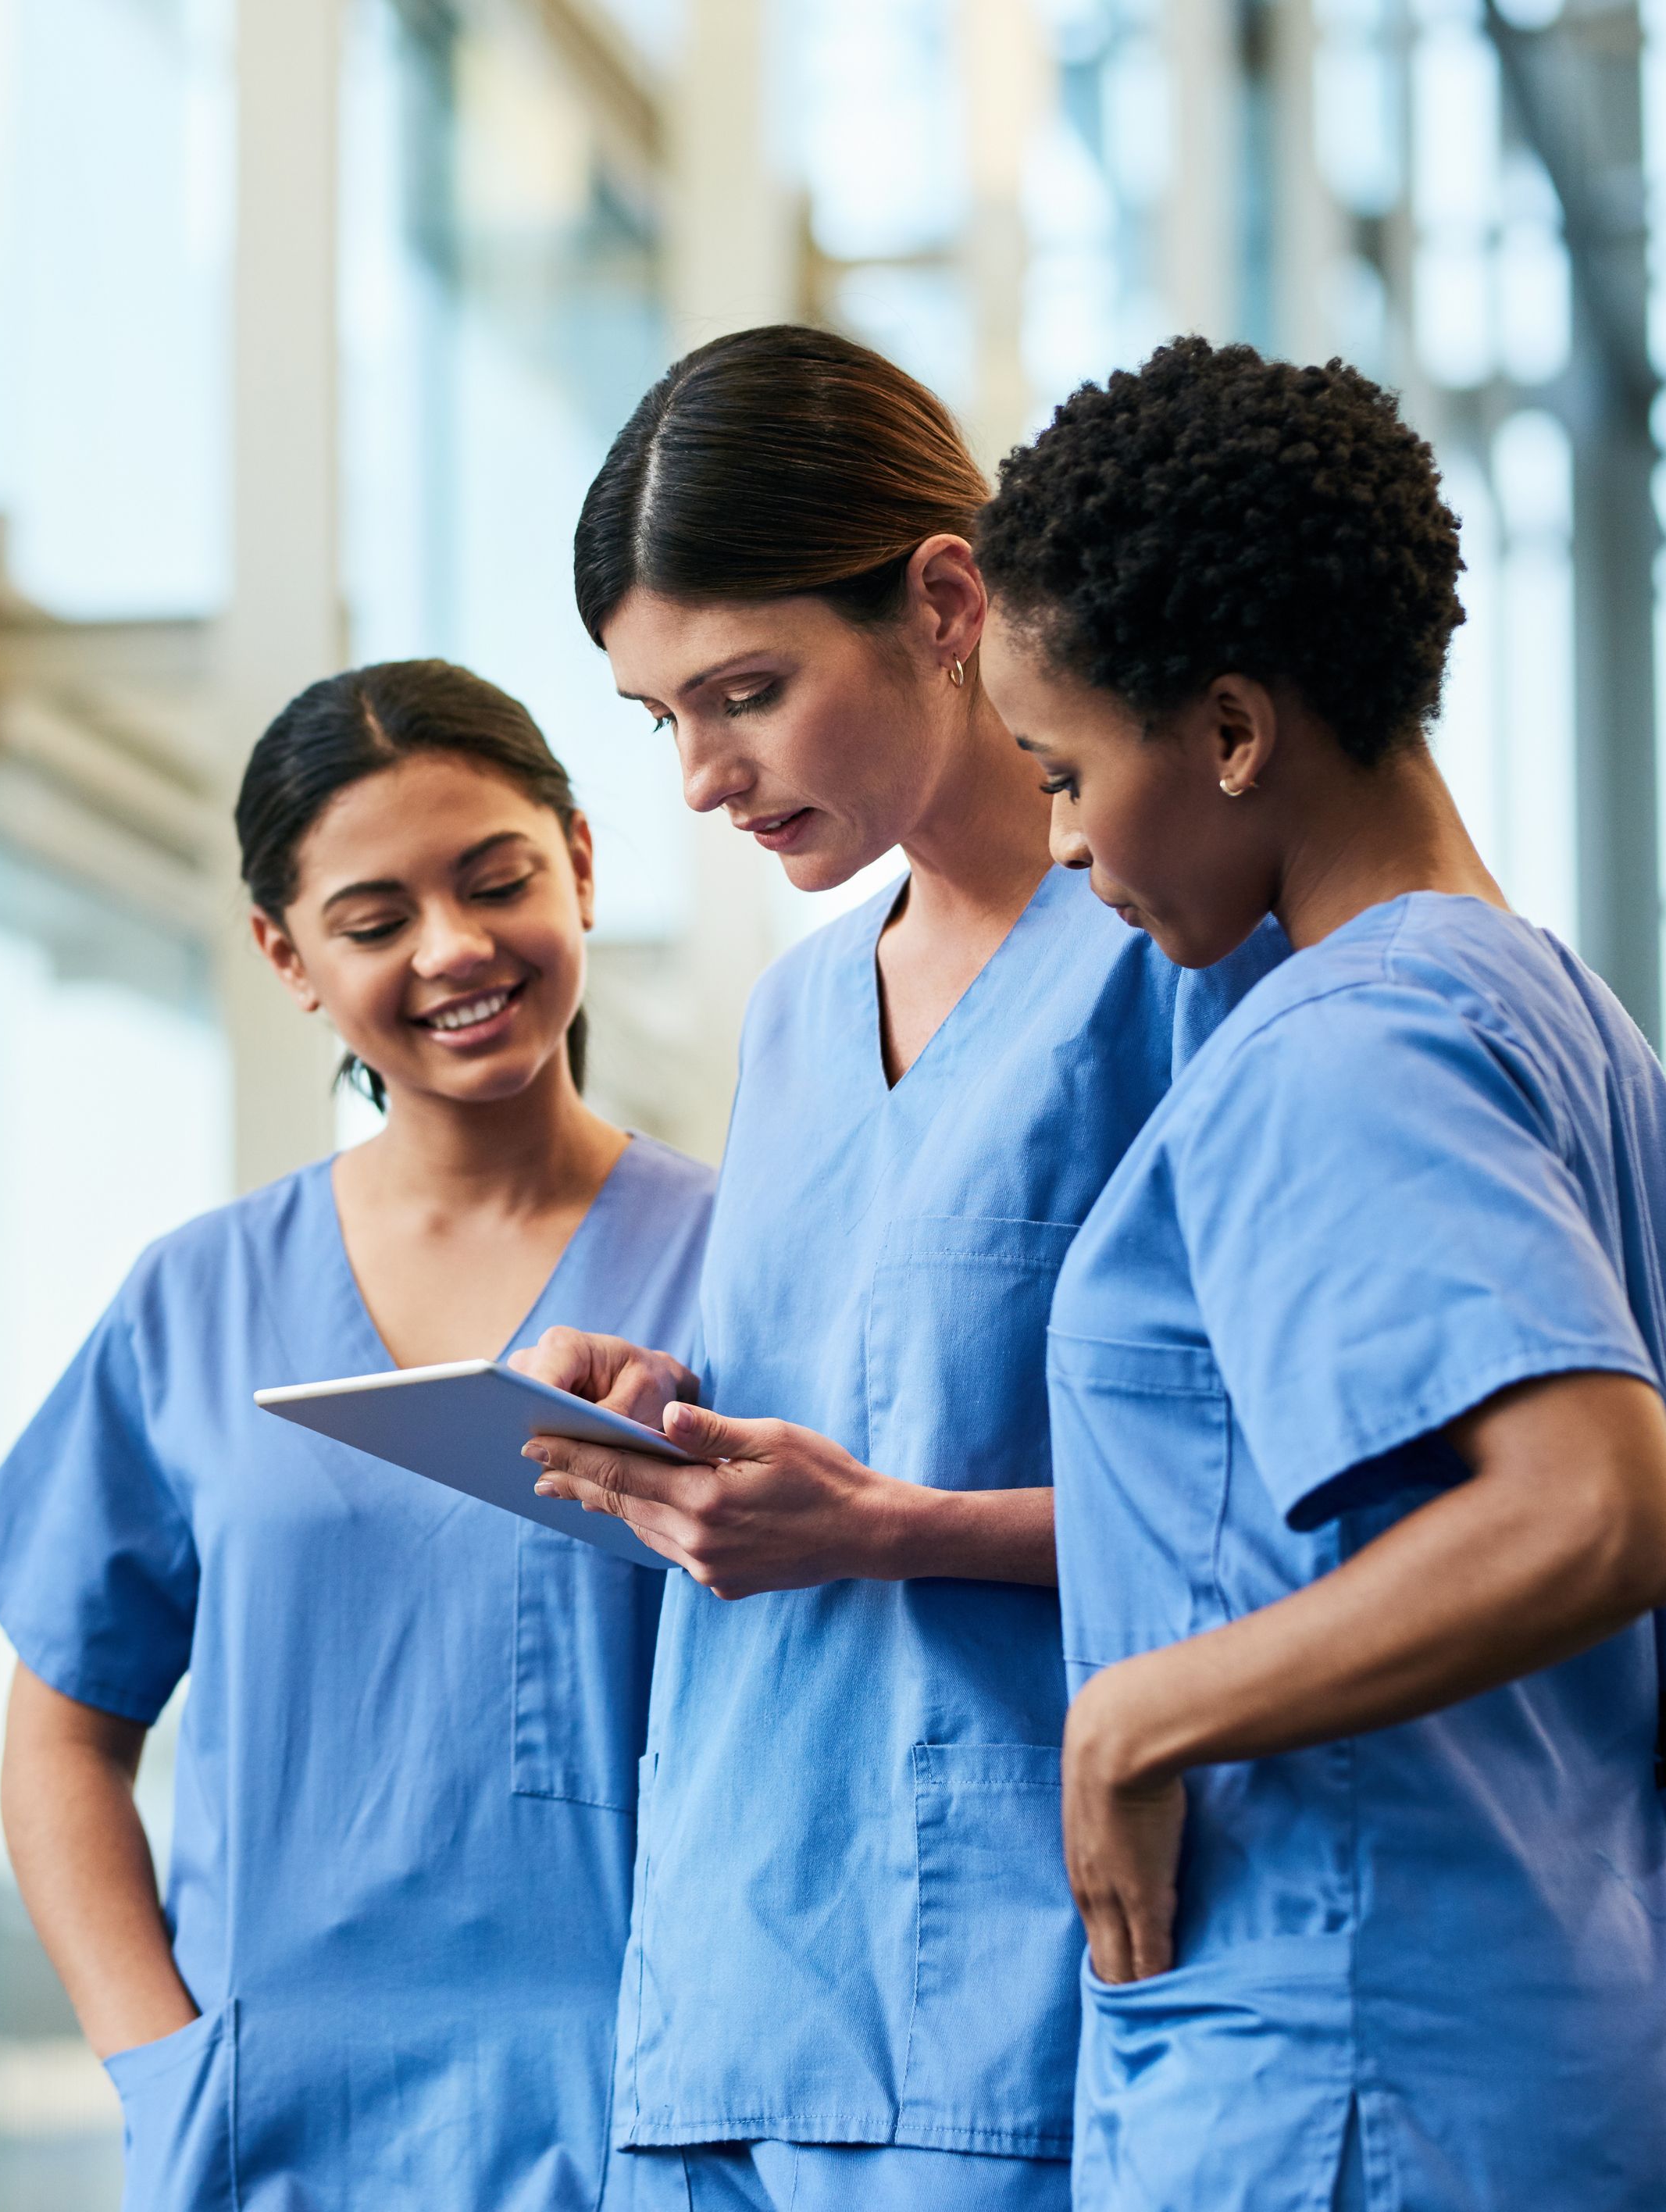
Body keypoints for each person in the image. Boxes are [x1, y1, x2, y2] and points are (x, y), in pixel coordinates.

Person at [512, 326, 1279, 2212]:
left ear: (947, 601)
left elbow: (1298, 1512)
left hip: (1003, 1980)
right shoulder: (789, 1018)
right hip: (729, 1966)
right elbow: (854, 1389)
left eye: (745, 690)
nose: (702, 776)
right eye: (658, 718)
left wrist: (900, 1527)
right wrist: (670, 1417)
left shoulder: (1189, 960)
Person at [977, 337, 1666, 2209]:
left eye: (1064, 773)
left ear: (1227, 731)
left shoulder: (1339, 1046)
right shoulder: (1563, 1021)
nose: (1063, 846)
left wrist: (1136, 1718)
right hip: (1528, 2030)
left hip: (1357, 2088)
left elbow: (1590, 1512)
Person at [0, 659, 715, 2212]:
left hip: (659, 2123)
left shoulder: (746, 1257)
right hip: (277, 2143)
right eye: (374, 921)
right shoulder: (199, 1301)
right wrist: (163, 2069)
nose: (455, 950)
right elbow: (62, 1739)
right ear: (286, 957)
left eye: (497, 880)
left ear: (580, 860)